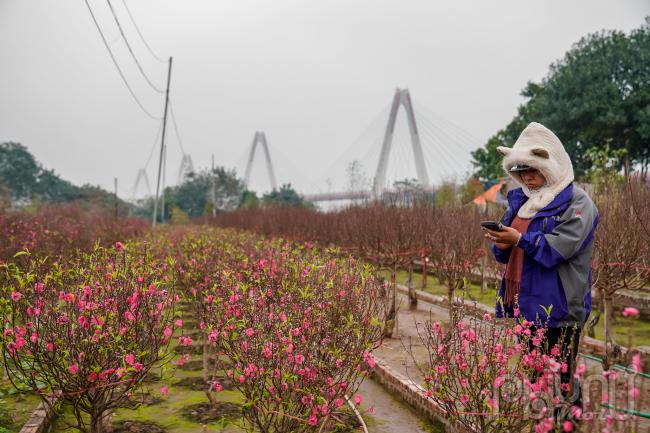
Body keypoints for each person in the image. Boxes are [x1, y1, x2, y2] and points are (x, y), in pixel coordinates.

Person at [482, 122, 599, 415]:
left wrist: (519, 239)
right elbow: (504, 255)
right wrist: (503, 242)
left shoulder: (577, 202)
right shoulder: (523, 202)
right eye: (520, 172)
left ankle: (568, 424)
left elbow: (561, 248)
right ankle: (540, 422)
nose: (527, 178)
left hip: (559, 304)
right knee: (534, 375)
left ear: (551, 165)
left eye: (532, 170)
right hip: (526, 300)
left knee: (563, 377)